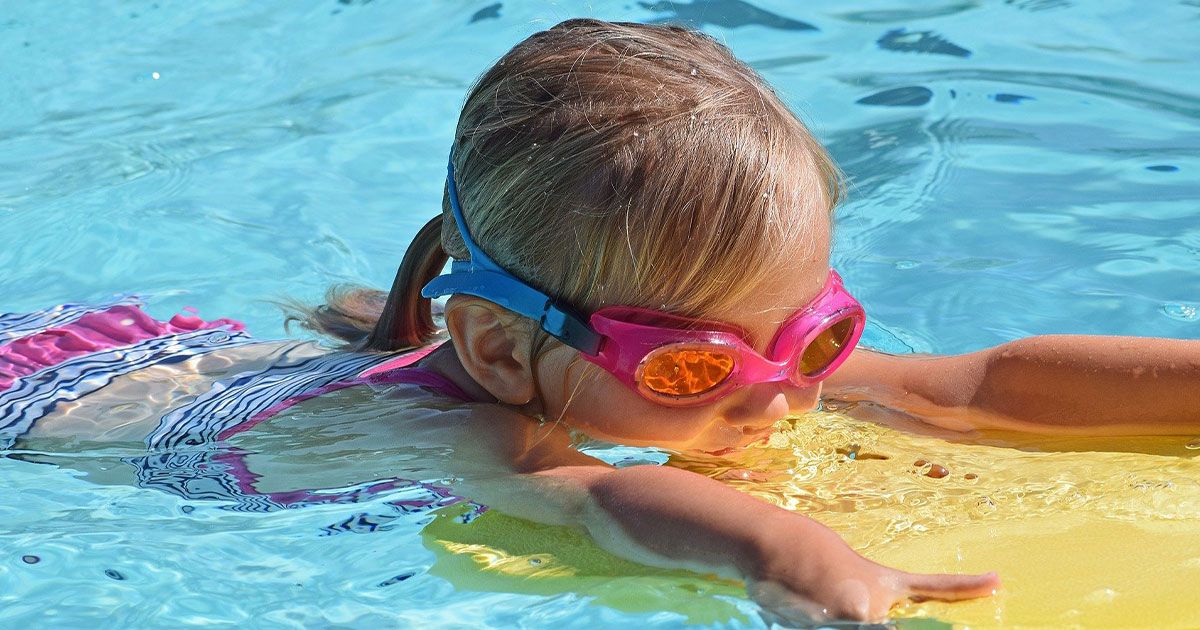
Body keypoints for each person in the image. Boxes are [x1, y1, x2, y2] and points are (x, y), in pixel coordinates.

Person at [4, 18, 1199, 623]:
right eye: (693, 366)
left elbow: (975, 386)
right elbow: (592, 496)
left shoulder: (741, 364)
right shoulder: (463, 433)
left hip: (179, 351)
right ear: (499, 352)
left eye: (816, 335)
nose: (783, 393)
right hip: (58, 406)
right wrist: (791, 555)